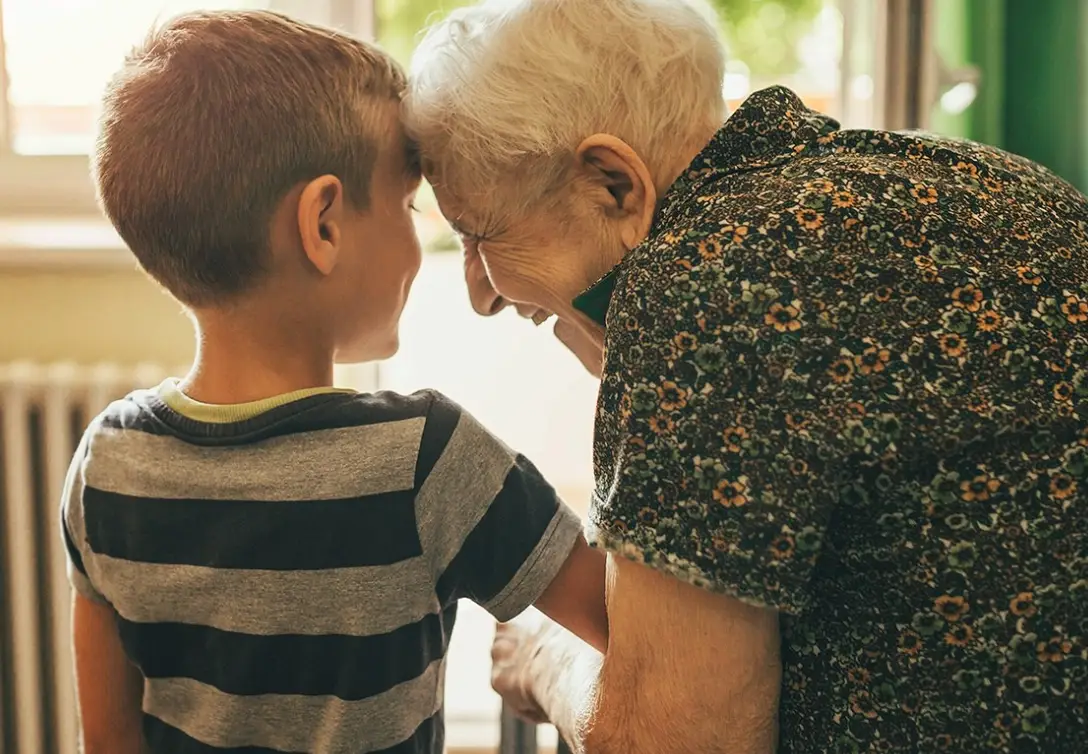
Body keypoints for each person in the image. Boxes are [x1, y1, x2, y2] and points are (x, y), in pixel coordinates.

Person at [405, 0, 1088, 751]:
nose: (479, 294)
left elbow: (675, 741)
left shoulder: (706, 281)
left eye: (480, 235)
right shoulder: (974, 175)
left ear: (613, 184)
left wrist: (543, 658)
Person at [62, 11, 606, 754]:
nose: (421, 237)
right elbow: (628, 624)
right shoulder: (427, 460)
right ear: (322, 224)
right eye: (408, 205)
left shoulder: (108, 465)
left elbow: (108, 741)